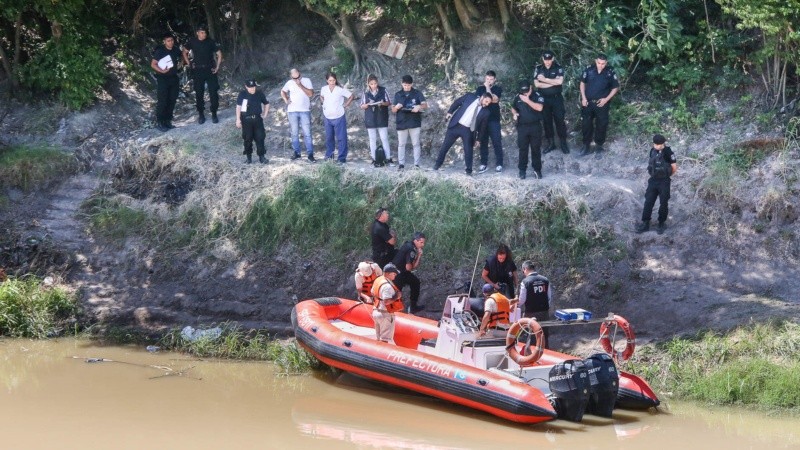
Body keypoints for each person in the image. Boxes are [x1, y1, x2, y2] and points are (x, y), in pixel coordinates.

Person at [431, 92, 492, 175]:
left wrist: (478, 139)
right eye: (486, 101)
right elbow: (457, 102)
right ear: (482, 97)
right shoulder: (469, 97)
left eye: (489, 103)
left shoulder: (486, 112)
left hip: (468, 130)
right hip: (456, 125)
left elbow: (483, 128)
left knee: (468, 150)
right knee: (445, 146)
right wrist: (450, 112)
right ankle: (437, 166)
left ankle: (469, 171)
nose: (487, 104)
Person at [579, 53, 619, 158]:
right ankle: (586, 146)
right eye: (599, 63)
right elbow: (582, 83)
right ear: (595, 61)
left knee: (601, 125)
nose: (600, 65)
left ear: (606, 63)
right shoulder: (589, 70)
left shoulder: (610, 72)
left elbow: (615, 88)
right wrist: (583, 98)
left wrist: (606, 99)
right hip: (588, 102)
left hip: (602, 103)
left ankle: (599, 146)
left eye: (603, 63)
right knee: (586, 124)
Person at [636, 134, 678, 234]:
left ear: (663, 144)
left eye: (658, 144)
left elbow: (674, 168)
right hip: (653, 180)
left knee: (663, 202)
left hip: (664, 181)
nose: (656, 146)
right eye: (655, 144)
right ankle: (645, 223)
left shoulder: (669, 152)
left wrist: (667, 176)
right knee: (648, 201)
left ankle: (661, 223)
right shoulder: (652, 151)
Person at [182, 24, 222, 124]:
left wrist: (217, 67)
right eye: (202, 32)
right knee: (199, 93)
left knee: (213, 92)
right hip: (198, 70)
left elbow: (219, 54)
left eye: (205, 32)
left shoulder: (210, 42)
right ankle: (201, 114)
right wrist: (189, 63)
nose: (204, 34)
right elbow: (184, 52)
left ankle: (214, 113)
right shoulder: (192, 41)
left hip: (210, 70)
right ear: (197, 33)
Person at [534, 50, 570, 154]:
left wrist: (544, 79)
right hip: (544, 99)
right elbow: (537, 85)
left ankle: (563, 143)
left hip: (556, 98)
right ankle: (551, 143)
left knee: (560, 120)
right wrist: (553, 82)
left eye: (549, 59)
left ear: (553, 58)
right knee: (547, 121)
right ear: (543, 59)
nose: (547, 62)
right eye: (545, 59)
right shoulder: (538, 68)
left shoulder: (558, 67)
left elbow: (560, 82)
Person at [392, 75, 428, 170]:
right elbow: (393, 110)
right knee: (401, 144)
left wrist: (419, 107)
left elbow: (425, 105)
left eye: (408, 85)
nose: (406, 87)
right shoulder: (398, 94)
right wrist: (396, 107)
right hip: (401, 121)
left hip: (414, 121)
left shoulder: (417, 93)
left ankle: (416, 165)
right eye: (405, 85)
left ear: (412, 84)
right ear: (402, 84)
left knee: (415, 143)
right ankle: (401, 164)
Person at [511, 80, 546, 180]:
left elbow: (539, 108)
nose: (525, 93)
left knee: (536, 149)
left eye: (527, 91)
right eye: (523, 92)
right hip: (522, 127)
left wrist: (527, 100)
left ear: (531, 87)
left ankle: (537, 170)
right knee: (523, 149)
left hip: (535, 126)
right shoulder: (518, 96)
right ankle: (522, 170)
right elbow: (513, 108)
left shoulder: (537, 95)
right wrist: (514, 113)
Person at [281, 68, 316, 162]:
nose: (297, 79)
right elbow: (283, 91)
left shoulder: (307, 80)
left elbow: (311, 94)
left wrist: (300, 85)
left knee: (307, 133)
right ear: (291, 76)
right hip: (292, 111)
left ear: (300, 73)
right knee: (294, 133)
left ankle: (310, 154)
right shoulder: (289, 83)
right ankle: (297, 153)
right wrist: (286, 100)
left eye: (298, 76)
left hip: (304, 110)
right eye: (294, 77)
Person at [320, 72, 354, 163]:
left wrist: (346, 105)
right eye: (330, 80)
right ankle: (329, 157)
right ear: (327, 80)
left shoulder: (339, 89)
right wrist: (324, 104)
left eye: (334, 80)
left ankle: (341, 158)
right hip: (327, 117)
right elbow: (321, 96)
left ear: (336, 80)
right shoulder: (324, 89)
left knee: (341, 137)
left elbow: (351, 96)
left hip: (339, 116)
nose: (332, 82)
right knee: (329, 137)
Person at [150, 32, 181, 132]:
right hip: (163, 79)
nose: (171, 42)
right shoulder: (160, 51)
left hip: (174, 77)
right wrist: (162, 71)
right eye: (168, 41)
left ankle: (168, 121)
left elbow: (182, 57)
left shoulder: (176, 49)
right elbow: (153, 64)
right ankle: (160, 122)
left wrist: (180, 65)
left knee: (172, 99)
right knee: (163, 100)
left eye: (172, 40)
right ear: (164, 42)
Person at [475, 70, 504, 173]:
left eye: (491, 79)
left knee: (496, 141)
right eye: (487, 79)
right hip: (482, 121)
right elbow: (478, 102)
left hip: (494, 120)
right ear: (485, 78)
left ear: (495, 80)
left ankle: (499, 164)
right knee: (483, 142)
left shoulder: (497, 89)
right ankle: (483, 163)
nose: (489, 81)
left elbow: (493, 99)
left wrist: (487, 87)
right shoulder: (479, 89)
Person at [361, 74, 393, 167]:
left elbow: (389, 102)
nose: (374, 85)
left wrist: (382, 103)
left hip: (381, 117)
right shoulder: (365, 92)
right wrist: (366, 105)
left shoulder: (383, 90)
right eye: (371, 84)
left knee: (384, 138)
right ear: (368, 84)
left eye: (375, 83)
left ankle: (388, 158)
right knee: (372, 139)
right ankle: (374, 159)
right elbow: (362, 105)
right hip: (370, 118)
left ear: (377, 83)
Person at [517, 260, 552, 345]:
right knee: (544, 335)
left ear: (525, 269)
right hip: (544, 312)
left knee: (532, 335)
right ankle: (546, 353)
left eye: (523, 271)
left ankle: (533, 355)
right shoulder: (545, 280)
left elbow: (522, 300)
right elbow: (549, 297)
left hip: (531, 313)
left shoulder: (525, 282)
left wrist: (516, 306)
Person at [235, 79, 270, 164]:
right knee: (247, 139)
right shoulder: (242, 94)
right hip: (246, 120)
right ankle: (249, 158)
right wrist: (238, 119)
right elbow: (238, 107)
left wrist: (265, 114)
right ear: (246, 87)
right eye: (250, 87)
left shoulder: (259, 93)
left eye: (253, 87)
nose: (252, 89)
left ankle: (262, 157)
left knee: (260, 138)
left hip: (257, 119)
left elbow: (266, 103)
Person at [392, 232, 426, 314]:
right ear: (416, 241)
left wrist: (419, 256)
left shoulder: (409, 245)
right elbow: (409, 268)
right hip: (397, 273)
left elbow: (410, 267)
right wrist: (418, 256)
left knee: (415, 282)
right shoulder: (411, 249)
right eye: (421, 242)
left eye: (423, 243)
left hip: (400, 271)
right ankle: (394, 310)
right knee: (396, 292)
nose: (423, 245)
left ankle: (413, 307)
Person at [371, 263, 404, 343]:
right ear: (388, 274)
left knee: (378, 339)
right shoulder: (387, 286)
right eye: (394, 274)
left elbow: (372, 292)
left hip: (376, 312)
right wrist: (397, 297)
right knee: (385, 340)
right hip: (385, 315)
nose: (395, 276)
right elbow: (386, 301)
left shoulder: (378, 280)